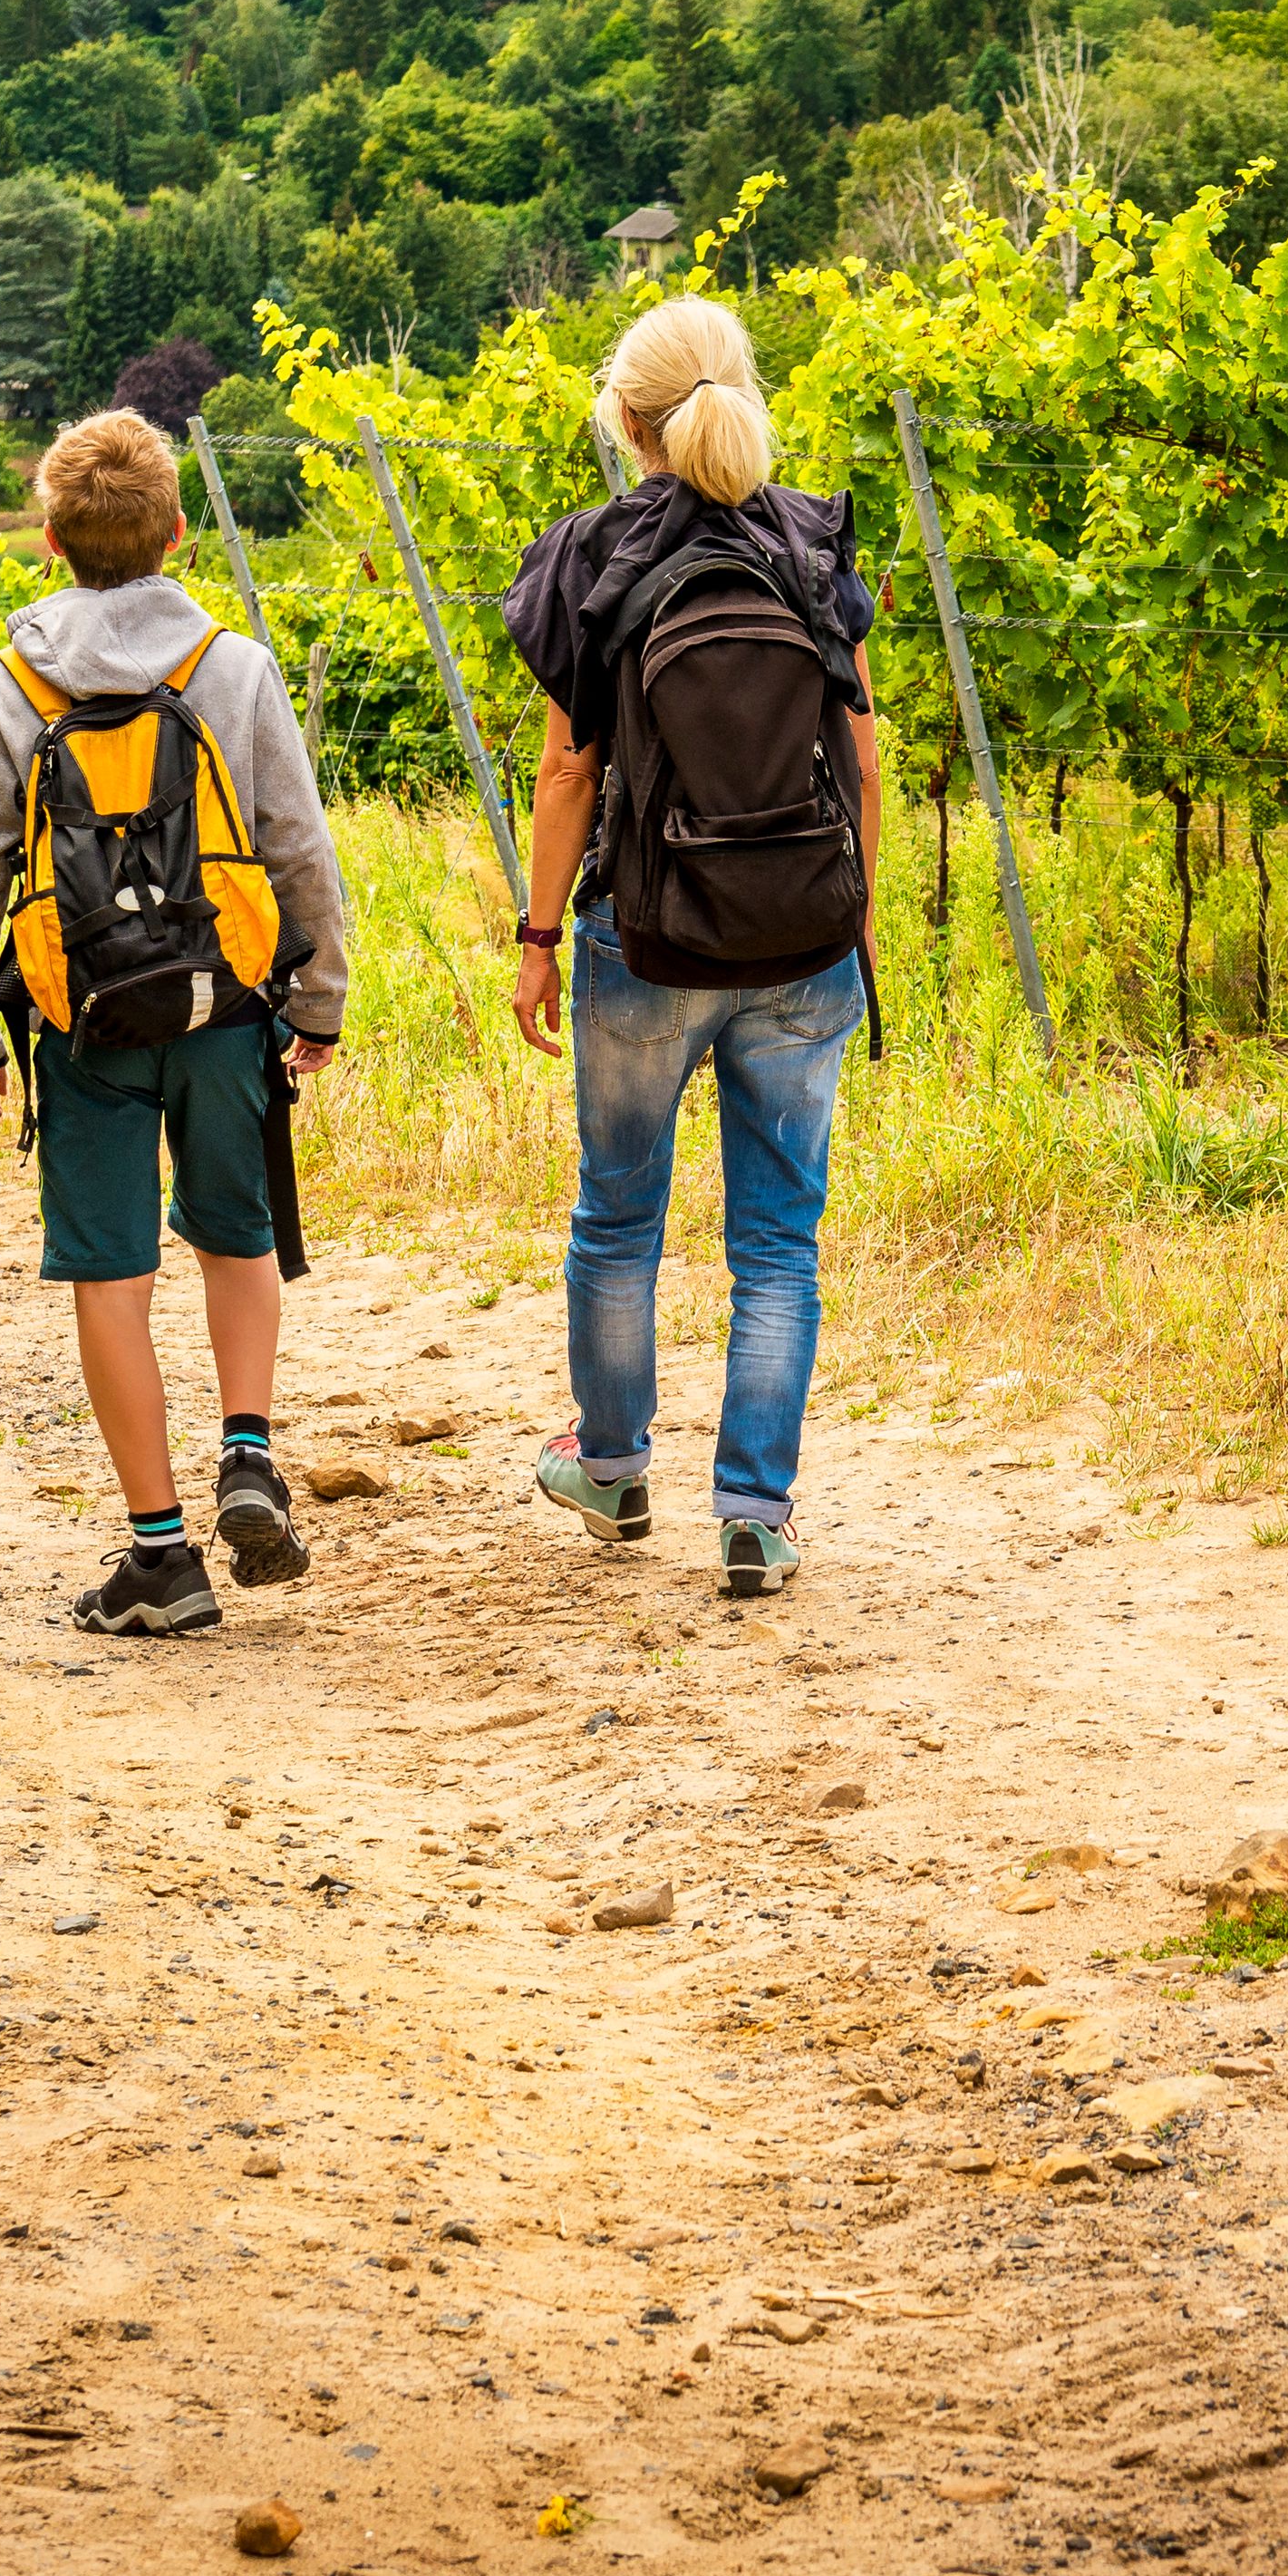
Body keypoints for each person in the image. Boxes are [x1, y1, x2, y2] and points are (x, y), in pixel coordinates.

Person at [0, 408, 356, 1638]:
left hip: (83, 1025)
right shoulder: (232, 666)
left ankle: (160, 1560)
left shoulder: (13, 685)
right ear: (174, 530)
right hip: (227, 1006)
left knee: (109, 1273)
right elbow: (296, 849)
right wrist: (315, 1001)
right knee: (237, 1232)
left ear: (52, 541)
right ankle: (249, 1454)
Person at [499, 295, 882, 1603]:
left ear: (625, 415)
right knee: (777, 1240)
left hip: (645, 936)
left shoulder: (588, 556)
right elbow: (864, 758)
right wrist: (858, 913)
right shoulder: (813, 542)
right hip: (798, 938)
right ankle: (755, 1516)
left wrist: (540, 935)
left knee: (619, 1215)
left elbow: (565, 771)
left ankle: (609, 1469)